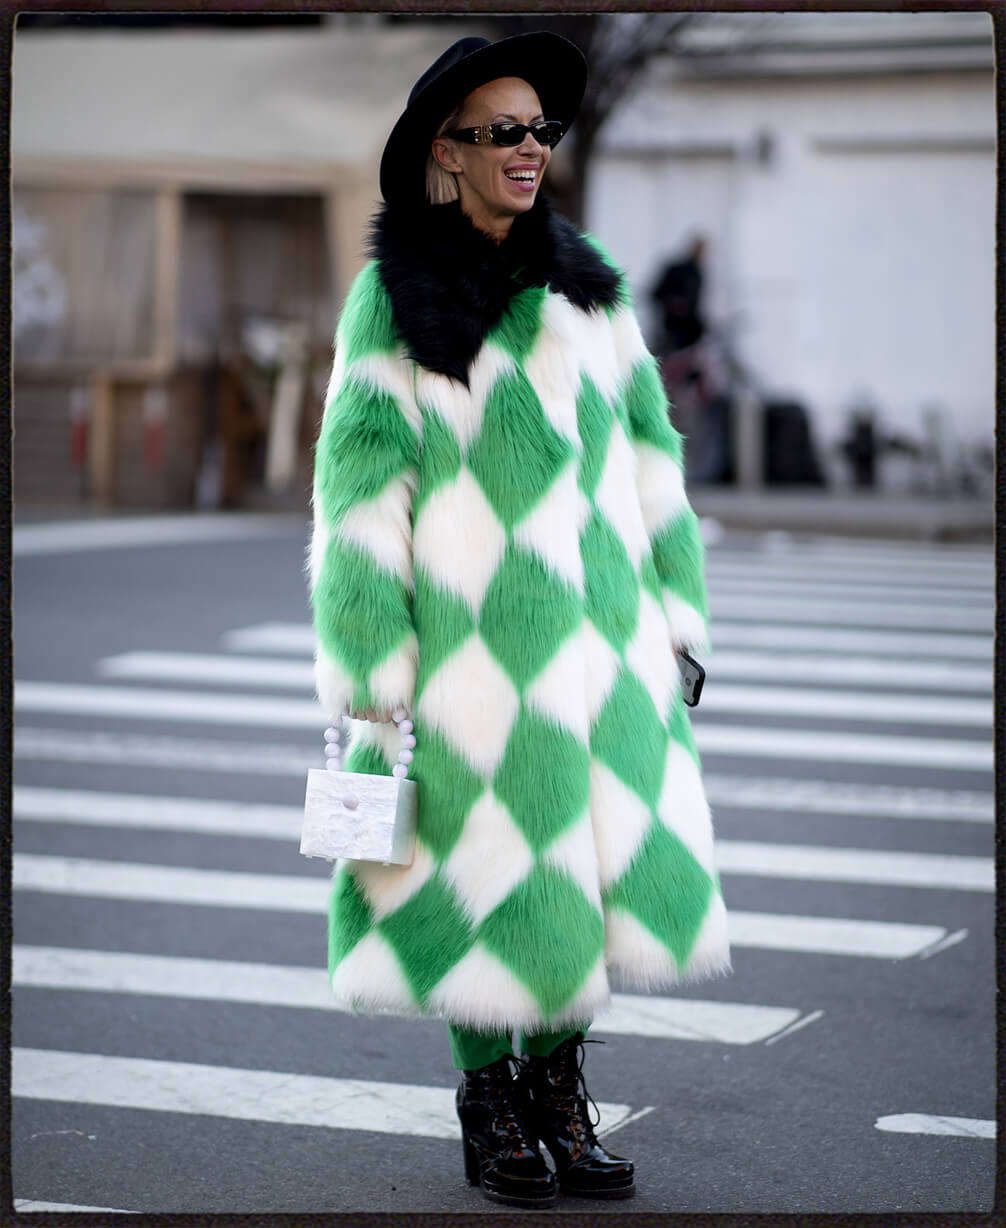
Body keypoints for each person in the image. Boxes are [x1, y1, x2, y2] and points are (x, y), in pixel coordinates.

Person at [308, 32, 732, 1209]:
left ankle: (556, 1088)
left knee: (580, 872)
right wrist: (369, 661)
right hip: (466, 653)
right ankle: (487, 1097)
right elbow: (357, 495)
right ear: (446, 151)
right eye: (503, 132)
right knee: (478, 869)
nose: (530, 150)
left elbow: (652, 452)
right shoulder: (393, 298)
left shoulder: (585, 279)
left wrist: (675, 617)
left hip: (601, 647)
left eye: (540, 129)